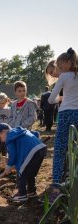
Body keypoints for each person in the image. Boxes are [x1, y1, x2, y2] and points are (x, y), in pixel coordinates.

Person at [48, 48, 78, 202]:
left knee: (59, 150)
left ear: (67, 63)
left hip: (66, 114)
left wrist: (61, 98)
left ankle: (56, 188)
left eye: (59, 67)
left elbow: (51, 100)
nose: (58, 70)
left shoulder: (64, 77)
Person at [0, 123, 47, 202]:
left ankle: (22, 194)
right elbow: (36, 133)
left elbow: (13, 155)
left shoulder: (9, 137)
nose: (0, 140)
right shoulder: (18, 131)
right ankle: (31, 191)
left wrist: (9, 166)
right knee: (30, 173)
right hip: (41, 149)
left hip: (32, 152)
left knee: (21, 171)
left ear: (3, 131)